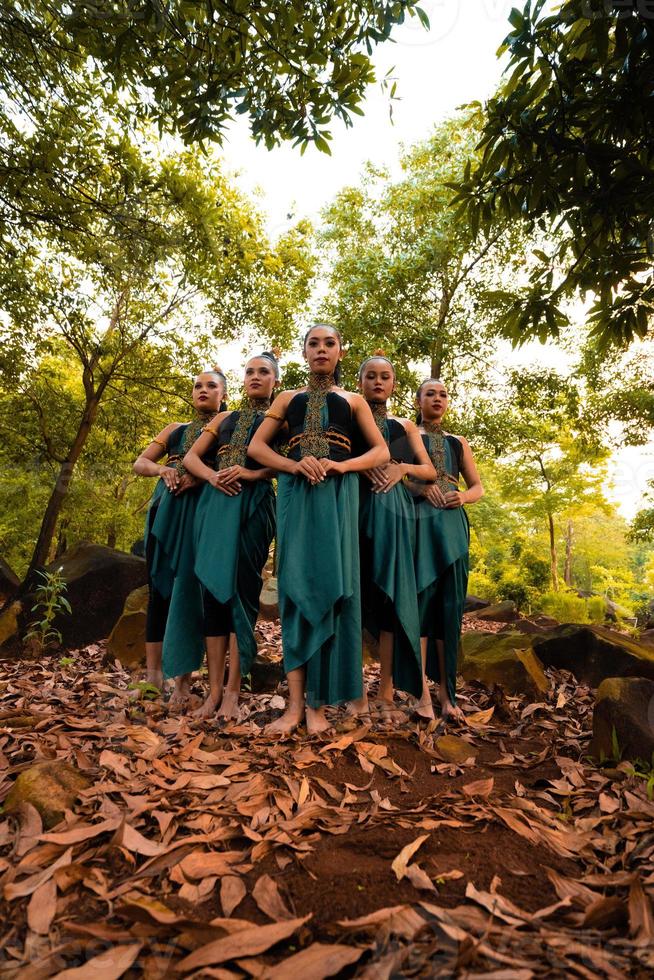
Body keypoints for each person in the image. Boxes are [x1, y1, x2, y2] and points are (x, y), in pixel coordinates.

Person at [248, 324, 389, 735]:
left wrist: (342, 465)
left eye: (330, 343)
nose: (322, 349)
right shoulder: (287, 398)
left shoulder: (354, 400)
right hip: (295, 496)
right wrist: (293, 465)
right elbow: (257, 448)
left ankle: (319, 708)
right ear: (305, 352)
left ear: (340, 352)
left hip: (338, 496)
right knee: (293, 589)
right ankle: (293, 708)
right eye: (314, 343)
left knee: (336, 591)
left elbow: (379, 450)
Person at [183, 353, 279, 721]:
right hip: (214, 506)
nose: (255, 377)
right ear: (242, 380)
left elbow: (286, 458)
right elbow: (191, 457)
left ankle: (235, 693)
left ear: (275, 381)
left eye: (264, 372)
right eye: (250, 371)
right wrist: (212, 477)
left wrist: (255, 475)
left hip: (254, 506)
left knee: (242, 591)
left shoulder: (279, 416)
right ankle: (213, 692)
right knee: (212, 594)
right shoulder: (225, 418)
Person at [132, 369, 225, 703]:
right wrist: (164, 469)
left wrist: (199, 479)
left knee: (190, 591)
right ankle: (153, 676)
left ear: (223, 394)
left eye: (211, 386)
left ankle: (183, 683)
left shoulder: (226, 428)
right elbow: (140, 463)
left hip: (203, 513)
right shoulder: (175, 430)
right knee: (159, 589)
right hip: (165, 511)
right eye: (198, 386)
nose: (203, 390)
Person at [356, 353, 436, 723]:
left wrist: (401, 468)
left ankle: (386, 693)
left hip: (394, 516)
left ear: (393, 385)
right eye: (370, 376)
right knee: (351, 598)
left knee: (389, 600)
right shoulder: (349, 415)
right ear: (360, 382)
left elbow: (429, 471)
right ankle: (351, 691)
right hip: (351, 511)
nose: (377, 382)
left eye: (384, 376)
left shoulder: (404, 426)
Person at [411, 378, 484, 722]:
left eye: (442, 394)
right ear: (418, 400)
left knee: (450, 609)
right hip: (419, 525)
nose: (437, 399)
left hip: (454, 526)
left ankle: (447, 695)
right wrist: (421, 490)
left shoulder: (458, 442)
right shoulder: (408, 436)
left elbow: (478, 486)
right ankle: (421, 696)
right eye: (430, 394)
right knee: (421, 606)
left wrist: (463, 496)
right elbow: (395, 477)